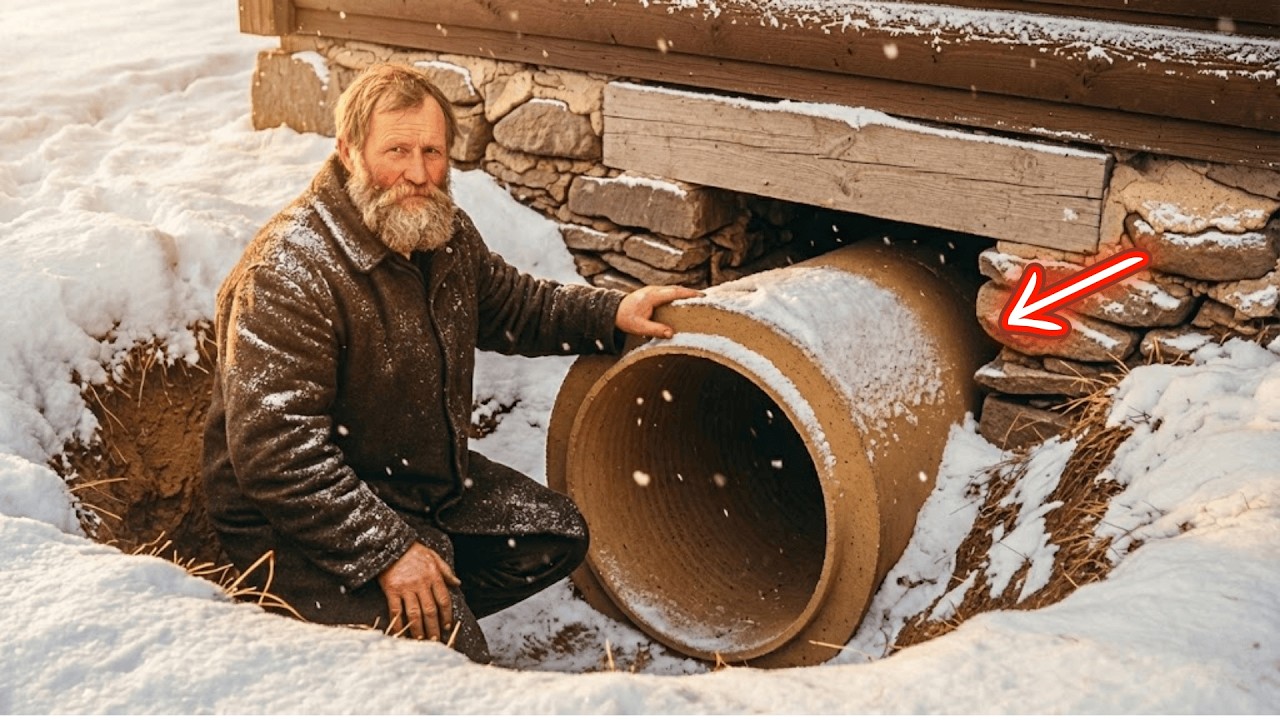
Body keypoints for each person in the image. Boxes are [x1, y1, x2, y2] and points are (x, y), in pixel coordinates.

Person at [201, 63, 698, 662]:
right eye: (397, 151)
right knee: (457, 671)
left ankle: (417, 604)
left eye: (432, 152)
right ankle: (344, 626)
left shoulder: (442, 233)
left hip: (412, 480)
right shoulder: (289, 272)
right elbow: (277, 452)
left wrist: (612, 312)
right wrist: (387, 551)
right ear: (348, 151)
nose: (418, 173)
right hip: (294, 527)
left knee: (553, 535)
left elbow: (515, 306)